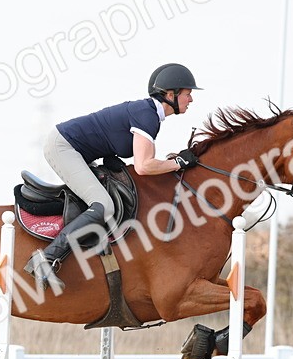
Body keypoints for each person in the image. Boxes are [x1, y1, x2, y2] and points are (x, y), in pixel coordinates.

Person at [25, 63, 202, 291]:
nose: (191, 100)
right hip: (64, 147)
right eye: (188, 94)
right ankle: (46, 258)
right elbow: (144, 166)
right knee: (103, 206)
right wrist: (177, 163)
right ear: (171, 95)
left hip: (75, 149)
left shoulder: (148, 113)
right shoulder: (147, 116)